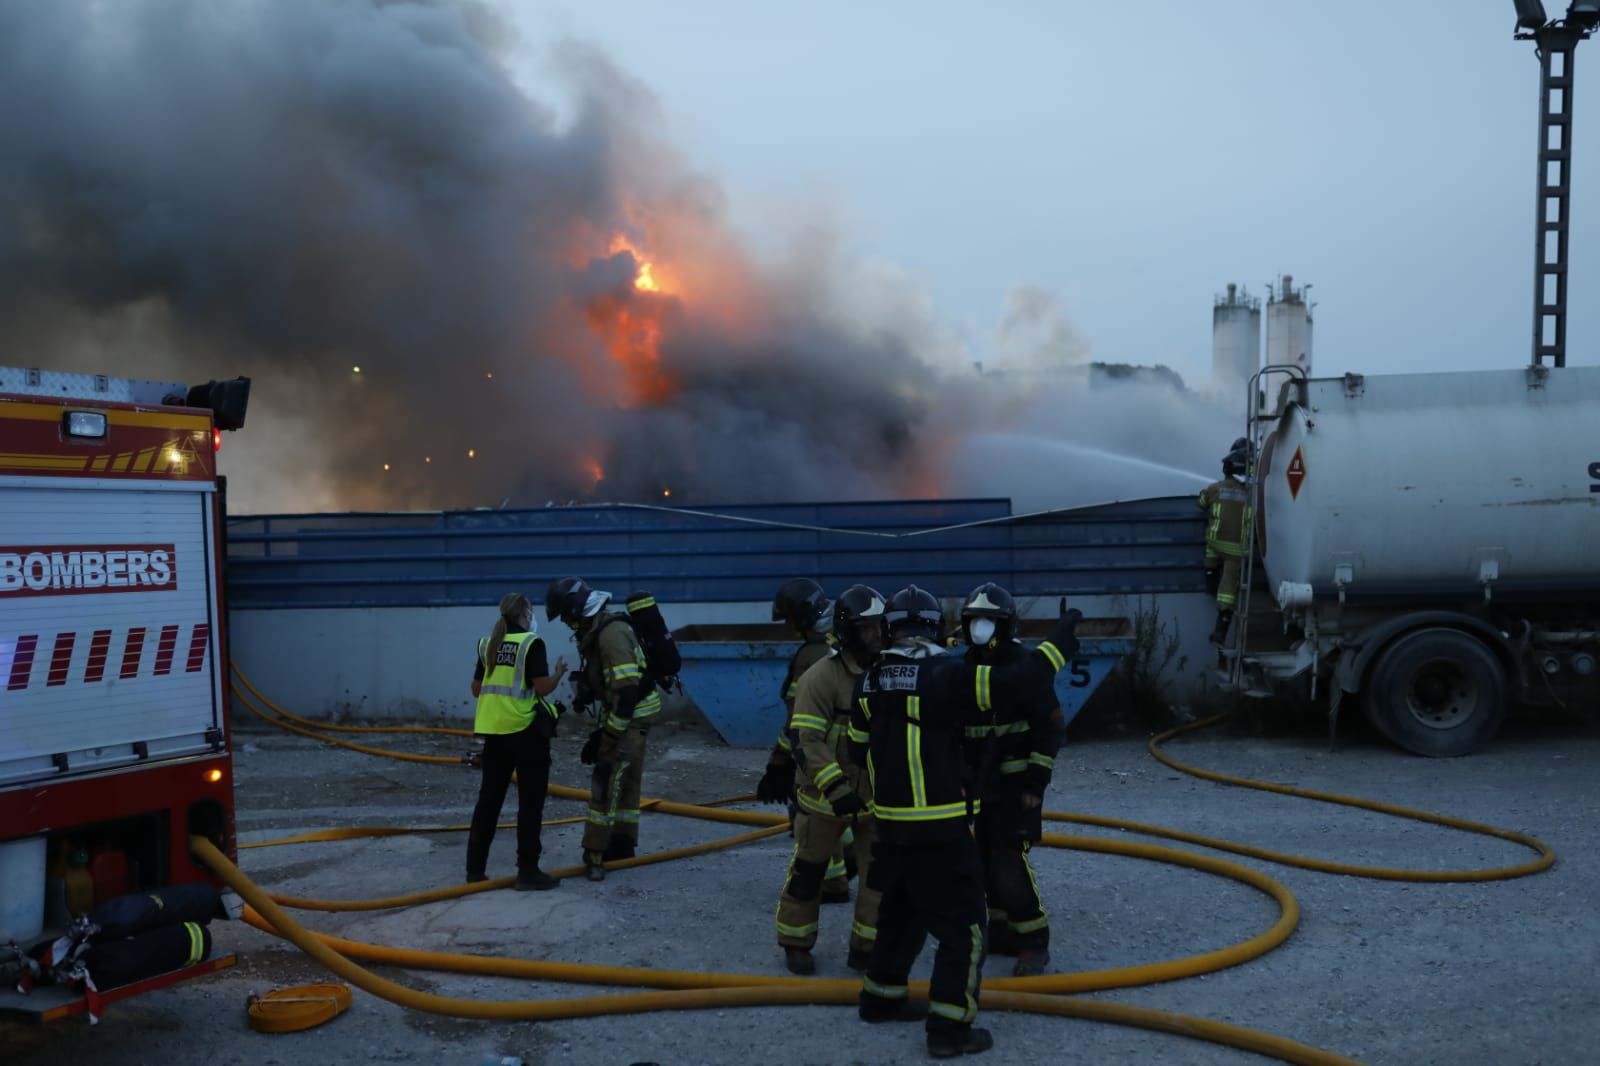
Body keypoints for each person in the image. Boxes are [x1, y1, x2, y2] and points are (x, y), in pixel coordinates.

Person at [851, 585, 1081, 1059]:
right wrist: (1059, 644)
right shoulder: (944, 675)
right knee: (964, 927)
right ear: (936, 627)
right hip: (937, 826)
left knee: (900, 911)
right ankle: (950, 1029)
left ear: (890, 628)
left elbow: (855, 748)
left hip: (889, 825)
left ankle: (881, 998)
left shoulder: (868, 680)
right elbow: (1017, 686)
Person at [774, 584, 886, 975]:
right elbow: (807, 741)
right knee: (808, 872)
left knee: (878, 880)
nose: (877, 634)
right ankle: (796, 941)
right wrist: (837, 788)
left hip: (875, 799)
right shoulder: (821, 677)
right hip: (824, 799)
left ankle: (866, 948)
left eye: (880, 626)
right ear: (846, 631)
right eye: (867, 628)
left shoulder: (887, 673)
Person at [959, 582, 1065, 976]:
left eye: (989, 621)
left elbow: (1050, 730)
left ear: (1005, 625)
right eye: (974, 620)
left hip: (1017, 787)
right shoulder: (965, 666)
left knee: (1007, 861)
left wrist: (1035, 785)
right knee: (982, 857)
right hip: (978, 787)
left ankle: (1035, 941)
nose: (980, 628)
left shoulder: (1025, 668)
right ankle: (1002, 930)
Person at [546, 575, 661, 882]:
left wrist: (607, 736)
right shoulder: (602, 629)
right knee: (627, 783)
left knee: (604, 781)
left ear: (574, 610)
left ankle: (595, 853)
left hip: (629, 718)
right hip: (632, 718)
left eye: (566, 617)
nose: (568, 625)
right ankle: (622, 847)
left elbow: (625, 692)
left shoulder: (611, 635)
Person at [756, 578, 853, 904]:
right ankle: (837, 876)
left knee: (810, 815)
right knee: (844, 806)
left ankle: (829, 883)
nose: (789, 627)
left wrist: (779, 762)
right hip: (851, 749)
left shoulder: (812, 654)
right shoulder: (840, 637)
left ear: (804, 614)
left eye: (790, 619)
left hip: (818, 751)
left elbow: (799, 720)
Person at [466, 592, 567, 890]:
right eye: (531, 611)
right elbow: (542, 687)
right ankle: (528, 871)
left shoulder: (488, 645)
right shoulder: (531, 644)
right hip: (525, 733)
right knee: (530, 803)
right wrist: (559, 674)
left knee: (489, 802)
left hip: (494, 735)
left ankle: (474, 871)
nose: (533, 617)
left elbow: (476, 689)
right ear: (523, 614)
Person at [1197, 437, 1253, 648]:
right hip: (1238, 550)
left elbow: (1200, 503)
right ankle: (1222, 624)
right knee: (1229, 587)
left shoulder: (1216, 488)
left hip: (1215, 542)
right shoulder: (1251, 493)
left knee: (1210, 551)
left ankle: (1210, 581)